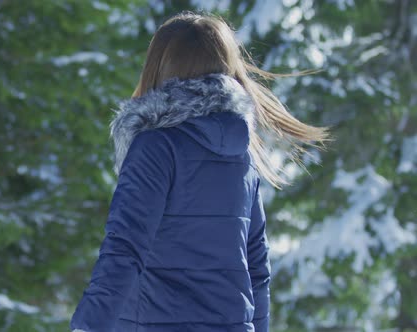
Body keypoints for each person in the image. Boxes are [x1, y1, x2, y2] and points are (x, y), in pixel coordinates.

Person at [69, 10, 330, 332]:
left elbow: (125, 247)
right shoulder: (240, 154)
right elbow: (257, 265)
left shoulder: (156, 146)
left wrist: (89, 325)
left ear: (158, 67)